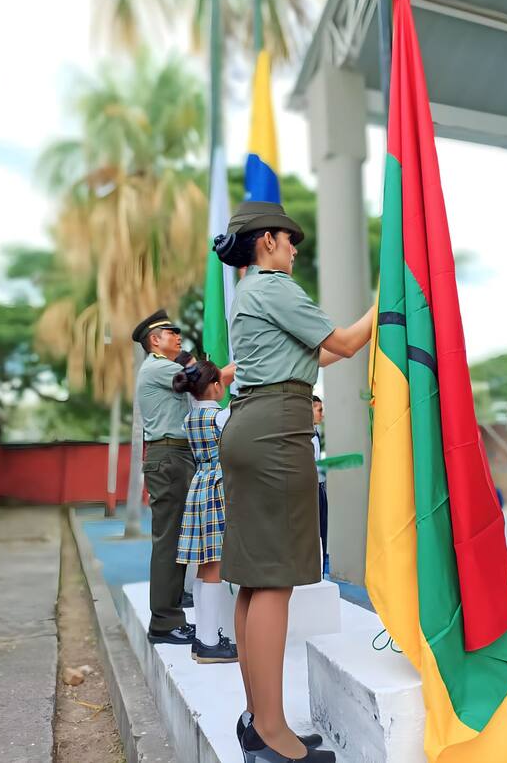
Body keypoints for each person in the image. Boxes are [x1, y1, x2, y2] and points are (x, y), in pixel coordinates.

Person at [214, 200, 373, 763]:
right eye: (289, 240)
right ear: (267, 241)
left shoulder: (249, 291)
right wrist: (388, 302)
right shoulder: (274, 286)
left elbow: (317, 355)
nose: (294, 250)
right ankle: (273, 731)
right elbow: (346, 344)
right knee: (274, 580)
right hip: (276, 430)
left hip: (252, 424)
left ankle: (257, 721)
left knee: (254, 579)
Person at [132, 310, 196, 645]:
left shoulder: (163, 366)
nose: (178, 336)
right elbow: (202, 378)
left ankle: (171, 605)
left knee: (176, 538)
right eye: (172, 332)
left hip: (176, 455)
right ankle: (164, 622)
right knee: (169, 541)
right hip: (169, 457)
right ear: (155, 340)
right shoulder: (158, 367)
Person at [173, 359, 238, 665]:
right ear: (214, 386)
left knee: (203, 564)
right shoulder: (221, 416)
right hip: (218, 487)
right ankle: (210, 643)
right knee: (215, 564)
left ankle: (203, 637)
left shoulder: (190, 418)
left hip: (200, 484)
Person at [312, 395, 329, 576]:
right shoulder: (305, 437)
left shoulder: (315, 433)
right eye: (319, 410)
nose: (322, 414)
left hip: (319, 489)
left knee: (322, 534)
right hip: (312, 491)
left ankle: (320, 574)